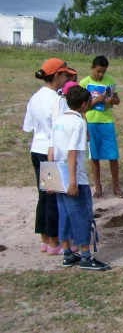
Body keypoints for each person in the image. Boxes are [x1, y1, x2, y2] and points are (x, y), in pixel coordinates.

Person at [48, 85, 110, 271]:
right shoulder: (79, 123)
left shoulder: (58, 121)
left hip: (58, 176)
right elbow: (72, 153)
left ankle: (67, 253)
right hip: (75, 178)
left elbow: (51, 151)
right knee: (82, 215)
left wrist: (50, 179)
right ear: (84, 104)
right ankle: (84, 255)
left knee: (65, 215)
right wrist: (73, 182)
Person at [23, 58, 75, 255]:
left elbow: (28, 126)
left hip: (36, 148)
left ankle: (44, 239)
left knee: (43, 196)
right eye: (65, 75)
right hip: (50, 151)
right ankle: (55, 242)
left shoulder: (35, 97)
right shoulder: (57, 100)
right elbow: (60, 128)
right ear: (56, 76)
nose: (67, 78)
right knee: (53, 197)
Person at [80, 56, 123, 198]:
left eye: (103, 72)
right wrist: (94, 102)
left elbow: (117, 101)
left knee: (113, 155)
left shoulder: (110, 81)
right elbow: (81, 108)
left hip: (107, 121)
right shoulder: (84, 83)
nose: (101, 75)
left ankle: (116, 186)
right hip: (92, 122)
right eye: (98, 71)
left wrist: (112, 100)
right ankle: (98, 186)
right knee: (94, 156)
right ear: (92, 68)